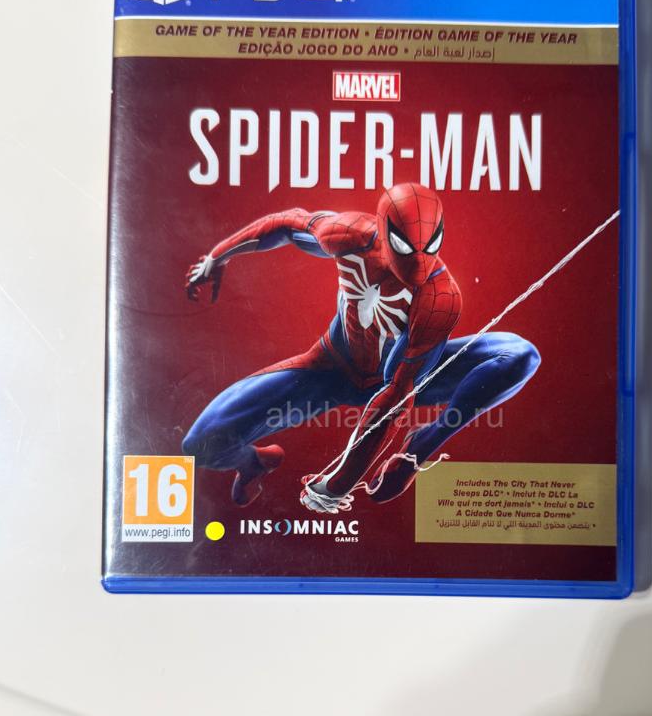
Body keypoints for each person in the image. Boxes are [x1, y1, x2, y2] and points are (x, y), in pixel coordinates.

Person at [183, 183, 540, 512]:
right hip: (329, 370)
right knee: (199, 445)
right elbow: (288, 223)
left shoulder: (439, 297)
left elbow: (397, 394)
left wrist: (339, 483)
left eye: (430, 247)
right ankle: (254, 463)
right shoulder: (350, 235)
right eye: (405, 247)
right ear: (384, 232)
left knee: (519, 355)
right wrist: (217, 257)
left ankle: (421, 446)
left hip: (404, 378)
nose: (419, 262)